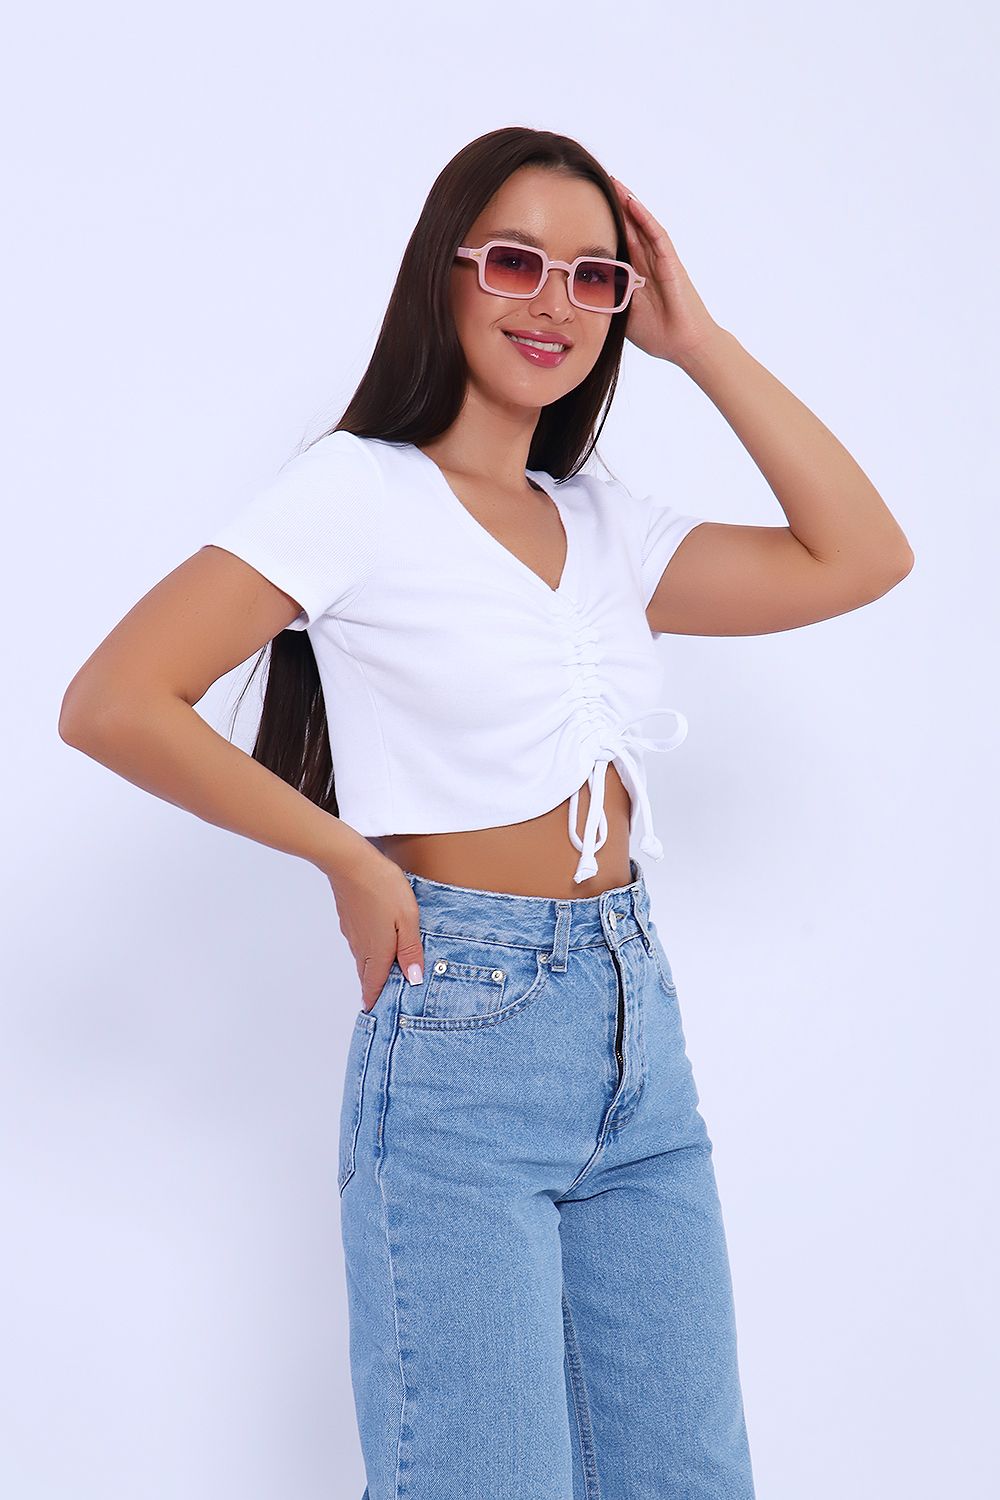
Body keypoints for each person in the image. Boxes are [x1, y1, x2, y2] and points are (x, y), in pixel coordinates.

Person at [59, 127, 914, 1500]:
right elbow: (114, 700)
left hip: (637, 1034)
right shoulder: (356, 491)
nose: (552, 303)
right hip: (462, 1034)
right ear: (445, 275)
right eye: (515, 261)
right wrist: (344, 856)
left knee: (690, 1478)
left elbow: (863, 555)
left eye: (593, 277)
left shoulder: (606, 522)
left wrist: (699, 345)